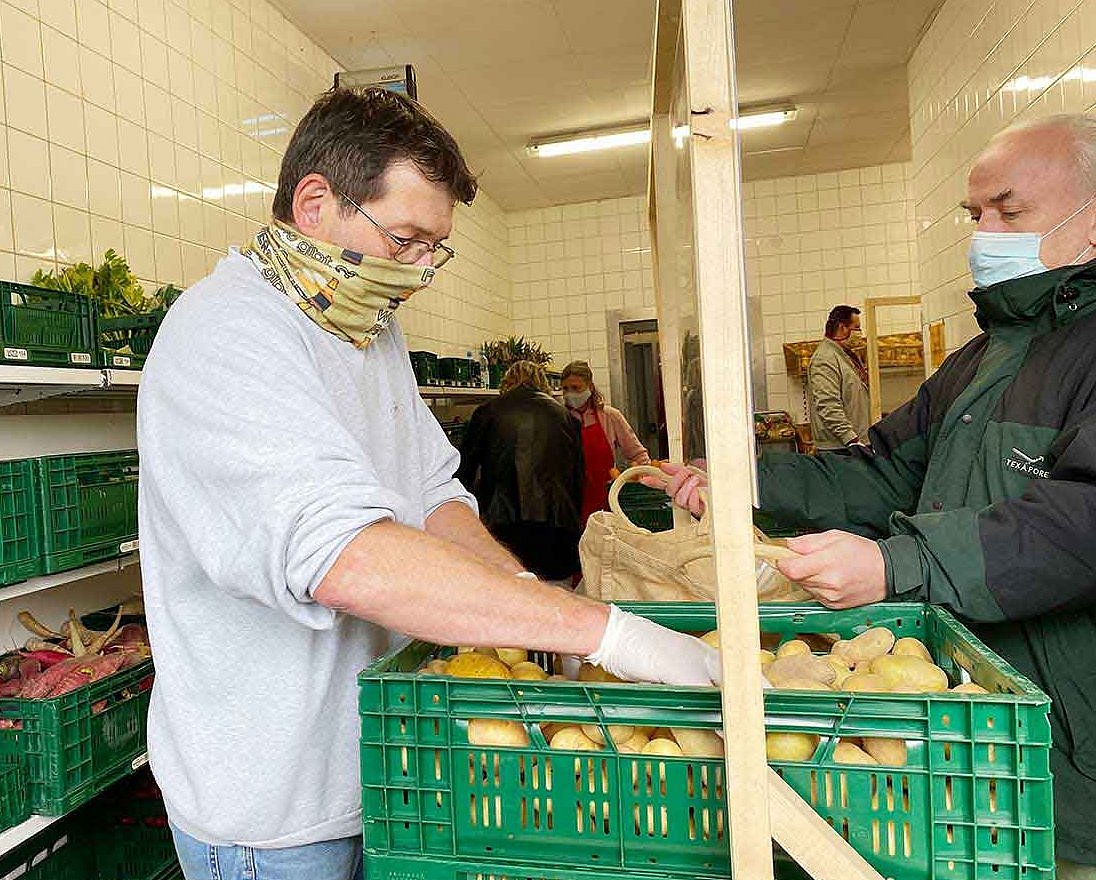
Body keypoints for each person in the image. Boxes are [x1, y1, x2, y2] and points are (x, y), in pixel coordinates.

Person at [137, 88, 719, 880]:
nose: (420, 273)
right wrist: (604, 631)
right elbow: (345, 557)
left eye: (432, 248)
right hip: (276, 808)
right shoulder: (227, 335)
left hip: (384, 768)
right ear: (315, 203)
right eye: (406, 238)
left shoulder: (365, 332)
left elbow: (435, 493)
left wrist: (517, 596)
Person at [651, 113, 1096, 876]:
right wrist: (738, 478)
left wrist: (897, 566)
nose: (984, 232)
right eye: (976, 213)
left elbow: (1080, 522)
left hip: (1067, 739)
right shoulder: (980, 360)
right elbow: (881, 469)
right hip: (955, 706)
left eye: (1009, 212)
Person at [456, 361, 584, 584]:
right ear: (542, 383)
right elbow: (578, 478)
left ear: (507, 383)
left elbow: (463, 473)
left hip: (503, 525)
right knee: (555, 597)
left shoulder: (487, 413)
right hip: (556, 528)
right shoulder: (565, 417)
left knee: (509, 594)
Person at [560, 360, 651, 524]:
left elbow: (638, 454)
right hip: (572, 504)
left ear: (590, 387)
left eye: (576, 388)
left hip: (606, 501)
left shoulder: (609, 416)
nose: (569, 394)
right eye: (565, 389)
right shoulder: (560, 419)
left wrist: (639, 476)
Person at [806, 305, 870, 452]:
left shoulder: (845, 355)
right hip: (840, 447)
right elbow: (828, 405)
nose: (860, 333)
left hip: (854, 443)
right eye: (857, 328)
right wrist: (851, 439)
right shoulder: (825, 360)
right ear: (842, 328)